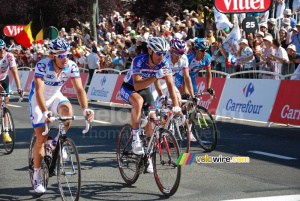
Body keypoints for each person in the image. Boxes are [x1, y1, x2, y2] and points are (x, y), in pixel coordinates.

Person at [29, 38, 94, 194]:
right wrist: (45, 111)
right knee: (41, 137)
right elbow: (38, 91)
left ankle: (57, 141)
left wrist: (85, 109)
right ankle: (37, 174)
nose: (66, 59)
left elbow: (79, 90)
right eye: (61, 56)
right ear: (53, 56)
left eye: (67, 55)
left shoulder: (71, 66)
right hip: (39, 100)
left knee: (67, 112)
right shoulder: (43, 65)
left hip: (56, 96)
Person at [120, 37, 180, 172]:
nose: (162, 56)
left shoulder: (164, 62)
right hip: (129, 87)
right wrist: (154, 77)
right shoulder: (139, 60)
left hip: (145, 89)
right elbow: (137, 84)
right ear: (150, 51)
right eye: (159, 53)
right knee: (138, 101)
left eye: (164, 53)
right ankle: (135, 138)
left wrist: (176, 105)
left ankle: (148, 158)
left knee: (153, 119)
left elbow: (170, 84)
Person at [0, 39, 24, 143]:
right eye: (0, 49)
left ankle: (5, 131)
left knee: (5, 105)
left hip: (4, 80)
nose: (2, 51)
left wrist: (19, 88)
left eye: (3, 48)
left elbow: (14, 72)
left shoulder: (9, 56)